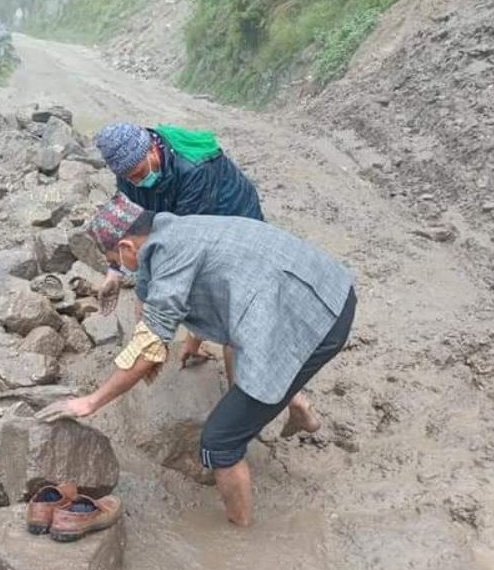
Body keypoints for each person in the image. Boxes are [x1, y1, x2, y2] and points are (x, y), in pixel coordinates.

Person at [36, 194, 358, 527]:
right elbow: (211, 283)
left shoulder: (171, 256)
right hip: (320, 284)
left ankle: (241, 533)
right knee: (237, 352)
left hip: (318, 316)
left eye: (113, 259)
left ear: (128, 247)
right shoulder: (172, 230)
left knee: (219, 442)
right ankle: (299, 408)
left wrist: (91, 402)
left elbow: (149, 347)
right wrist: (193, 338)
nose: (118, 268)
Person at [92, 122, 263, 315]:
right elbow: (129, 225)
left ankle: (200, 341)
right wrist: (115, 271)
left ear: (152, 150)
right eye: (130, 178)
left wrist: (148, 292)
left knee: (227, 295)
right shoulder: (128, 170)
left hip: (231, 215)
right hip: (180, 208)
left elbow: (180, 242)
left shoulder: (196, 169)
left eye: (140, 174)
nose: (137, 182)